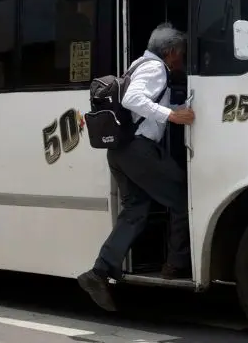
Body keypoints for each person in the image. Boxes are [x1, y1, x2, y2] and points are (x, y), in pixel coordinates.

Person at [76, 23, 196, 312]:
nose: (182, 59)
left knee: (135, 211)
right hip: (138, 150)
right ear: (170, 53)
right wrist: (171, 115)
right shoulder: (155, 69)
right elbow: (132, 99)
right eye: (180, 54)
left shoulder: (138, 64)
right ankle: (175, 265)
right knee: (182, 197)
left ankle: (99, 272)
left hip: (120, 151)